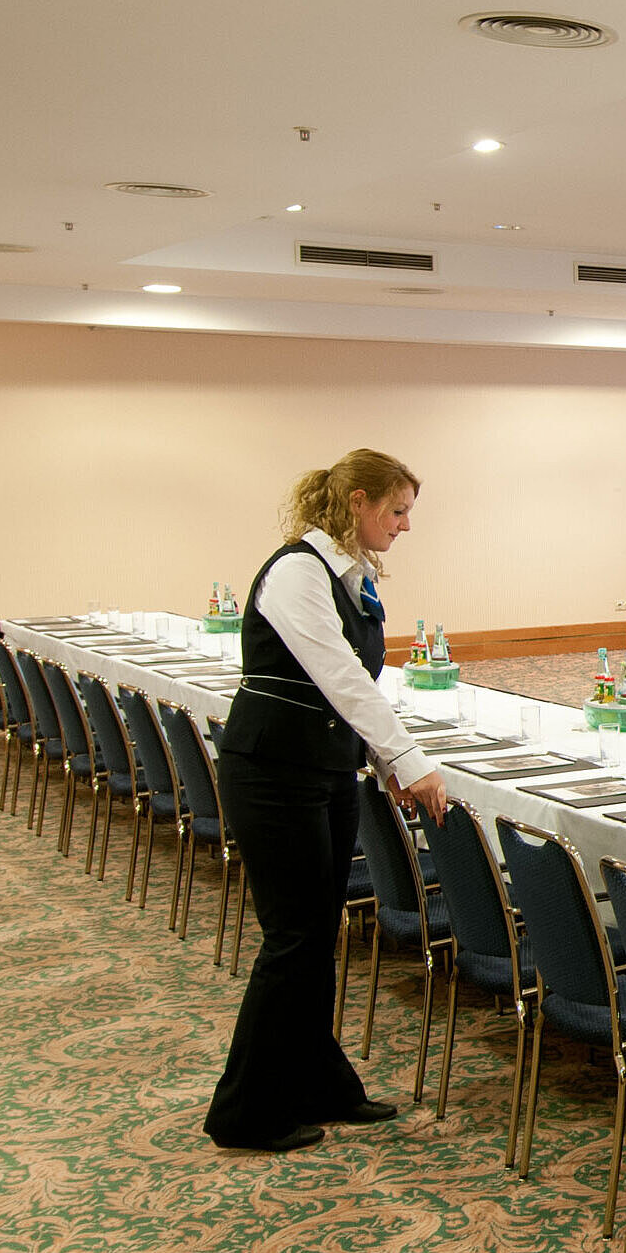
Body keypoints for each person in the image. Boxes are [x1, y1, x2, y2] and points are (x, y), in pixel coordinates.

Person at [204, 450, 448, 1152]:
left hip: (323, 769)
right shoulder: (296, 573)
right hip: (273, 771)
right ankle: (244, 1111)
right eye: (397, 510)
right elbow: (342, 677)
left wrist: (381, 758)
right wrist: (409, 759)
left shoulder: (352, 576)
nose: (404, 526)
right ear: (357, 502)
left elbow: (355, 686)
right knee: (293, 939)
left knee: (318, 934)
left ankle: (317, 1083)